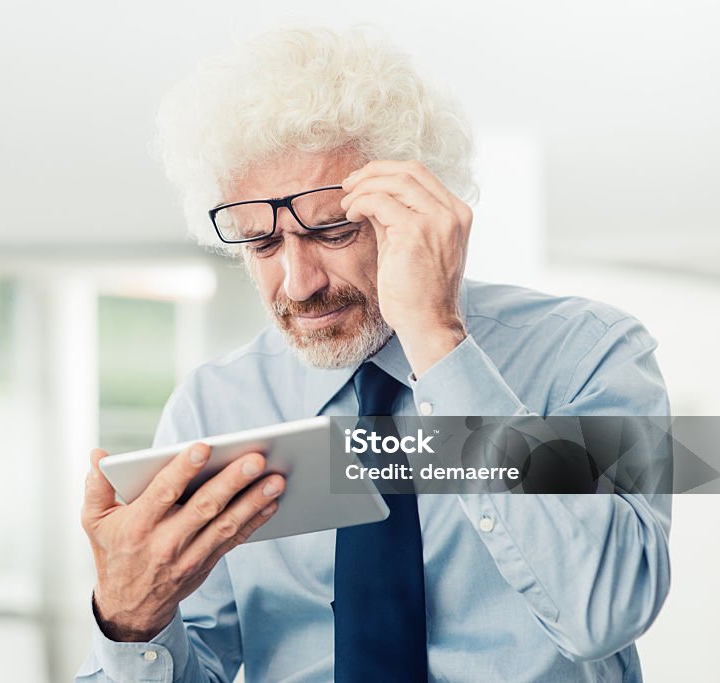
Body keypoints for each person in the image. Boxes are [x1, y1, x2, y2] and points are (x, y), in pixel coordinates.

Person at [76, 26, 671, 682]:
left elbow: (605, 610)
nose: (299, 283)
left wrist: (439, 340)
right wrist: (132, 620)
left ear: (413, 208)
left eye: (332, 228)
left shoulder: (586, 352)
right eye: (263, 244)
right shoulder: (217, 405)